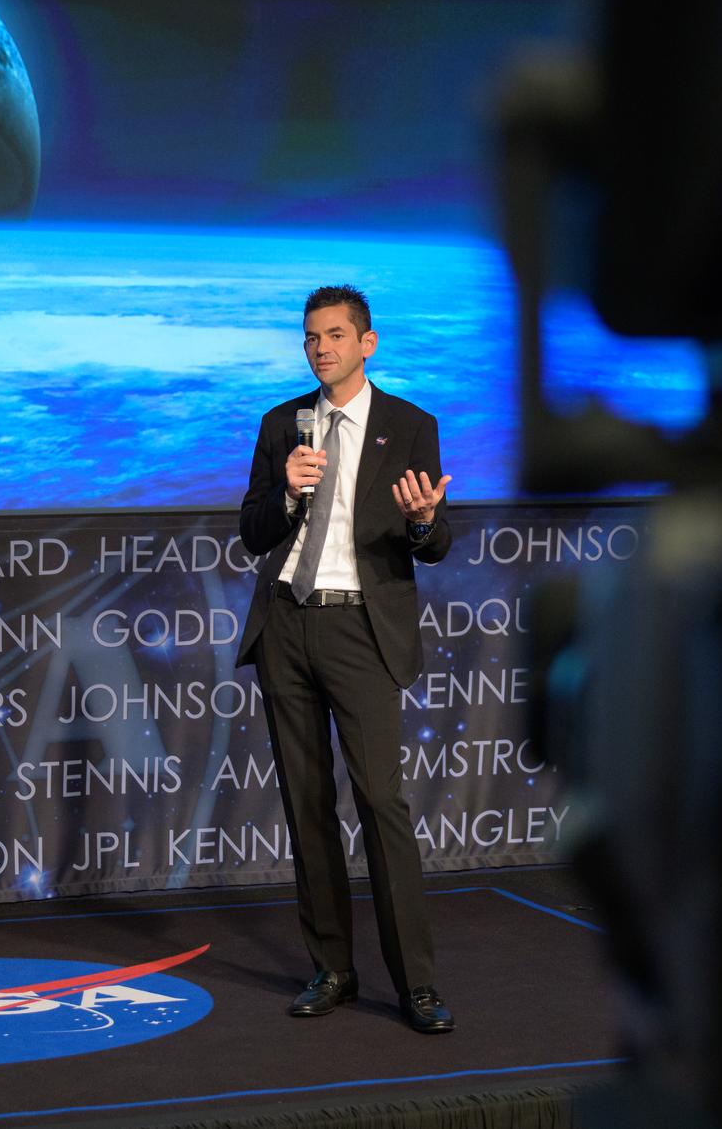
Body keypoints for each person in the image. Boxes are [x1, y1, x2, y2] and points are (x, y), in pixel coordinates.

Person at [235, 284, 456, 1035]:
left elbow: (434, 536)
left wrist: (425, 522)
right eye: (309, 338)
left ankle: (416, 984)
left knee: (382, 807)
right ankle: (332, 966)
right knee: (306, 804)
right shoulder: (280, 425)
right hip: (286, 627)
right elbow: (252, 531)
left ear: (367, 343)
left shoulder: (409, 426)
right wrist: (289, 497)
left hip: (361, 629)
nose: (320, 347)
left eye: (334, 335)